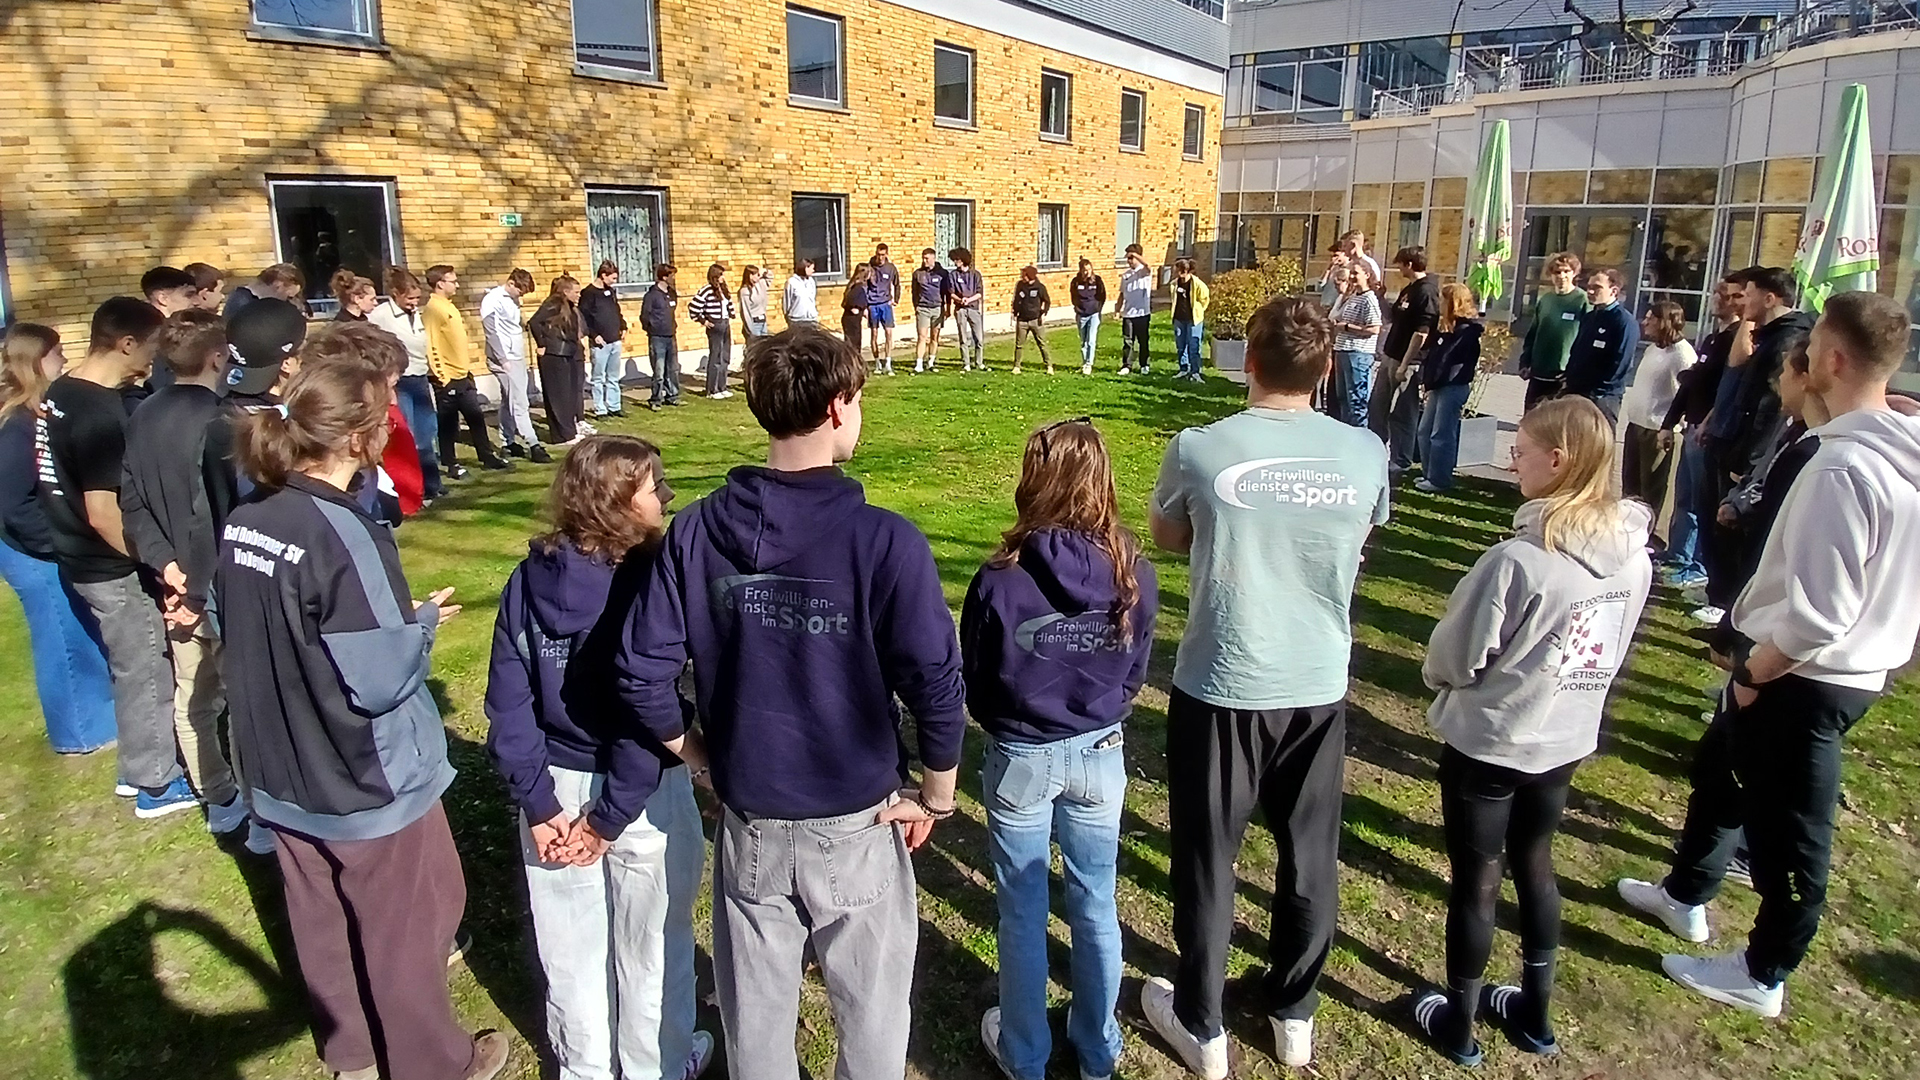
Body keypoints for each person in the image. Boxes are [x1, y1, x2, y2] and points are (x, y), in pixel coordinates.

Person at [611, 326, 965, 1080]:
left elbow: (642, 673)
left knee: (757, 1023)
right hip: (851, 822)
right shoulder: (885, 541)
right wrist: (938, 795)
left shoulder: (697, 531)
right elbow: (936, 677)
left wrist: (697, 756)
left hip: (757, 824)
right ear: (839, 407)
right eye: (861, 401)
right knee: (871, 1016)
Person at [1617, 291, 1920, 1020]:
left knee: (1790, 833)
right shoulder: (1887, 443)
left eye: (1813, 344)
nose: (1802, 355)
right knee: (1718, 774)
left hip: (1805, 677)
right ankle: (1686, 892)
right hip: (1826, 667)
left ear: (1835, 359)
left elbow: (1820, 614)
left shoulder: (1845, 469)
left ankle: (1761, 973)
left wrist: (1755, 673)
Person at [215, 353, 509, 1080]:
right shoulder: (347, 532)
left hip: (279, 762)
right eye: (386, 417)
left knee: (318, 918)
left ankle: (350, 1053)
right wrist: (421, 629)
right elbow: (379, 680)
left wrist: (396, 619)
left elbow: (264, 623)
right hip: (364, 774)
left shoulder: (248, 515)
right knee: (410, 922)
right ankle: (433, 1064)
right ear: (359, 437)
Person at [1142, 296, 1390, 1073]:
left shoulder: (1200, 447)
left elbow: (1169, 535)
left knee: (1210, 857)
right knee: (1309, 854)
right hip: (1315, 681)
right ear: (1326, 371)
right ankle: (1293, 1015)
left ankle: (1204, 1025)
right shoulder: (1367, 452)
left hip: (1223, 681)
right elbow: (1364, 536)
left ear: (1248, 362)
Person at [1412, 396, 1653, 1066]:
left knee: (1478, 877)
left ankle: (1458, 1023)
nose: (1512, 458)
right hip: (1566, 737)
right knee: (1537, 863)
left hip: (1492, 740)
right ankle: (1535, 1012)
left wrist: (1448, 680)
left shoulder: (1518, 560)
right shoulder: (1634, 556)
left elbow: (1454, 657)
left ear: (1561, 460)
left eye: (1521, 449)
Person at [485, 436, 715, 1080]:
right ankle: (658, 1065)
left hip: (555, 793)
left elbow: (509, 701)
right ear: (618, 505)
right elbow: (642, 712)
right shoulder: (651, 586)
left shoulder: (527, 578)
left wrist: (537, 802)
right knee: (654, 946)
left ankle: (585, 1068)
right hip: (641, 794)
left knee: (570, 947)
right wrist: (607, 818)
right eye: (652, 489)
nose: (664, 499)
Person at [963, 418, 1157, 1080]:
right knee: (1095, 900)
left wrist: (1004, 723)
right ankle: (1097, 1051)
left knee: (1022, 909)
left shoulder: (1000, 577)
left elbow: (978, 679)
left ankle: (1026, 1054)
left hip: (1021, 754)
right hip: (1099, 751)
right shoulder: (1135, 572)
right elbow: (1136, 671)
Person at [35, 297, 196, 818]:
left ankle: (136, 767)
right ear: (127, 342)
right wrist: (155, 562)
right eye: (151, 348)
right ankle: (155, 783)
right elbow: (104, 513)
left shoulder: (61, 391)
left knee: (132, 663)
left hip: (73, 554)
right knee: (144, 666)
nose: (155, 360)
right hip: (109, 564)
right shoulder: (100, 415)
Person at [120, 309, 249, 836]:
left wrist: (166, 567)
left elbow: (131, 499)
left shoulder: (142, 414)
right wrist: (192, 581)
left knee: (192, 694)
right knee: (242, 699)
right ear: (218, 357)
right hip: (219, 583)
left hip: (173, 581)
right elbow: (215, 513)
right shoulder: (223, 422)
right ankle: (255, 803)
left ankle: (217, 797)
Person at [0, 323, 117, 759]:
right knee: (62, 636)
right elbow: (10, 504)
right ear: (36, 362)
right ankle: (80, 731)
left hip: (38, 543)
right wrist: (54, 543)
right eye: (56, 354)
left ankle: (94, 718)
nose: (64, 360)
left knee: (75, 630)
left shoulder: (35, 413)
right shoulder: (16, 424)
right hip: (28, 550)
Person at [1706, 339, 1825, 663]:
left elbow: (1772, 543)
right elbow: (1762, 473)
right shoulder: (1792, 430)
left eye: (1785, 372)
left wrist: (1732, 630)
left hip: (1771, 601)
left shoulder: (1812, 451)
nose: (1778, 381)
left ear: (1805, 379)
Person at [1657, 278, 1740, 589]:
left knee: (1702, 503)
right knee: (1684, 497)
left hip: (1707, 432)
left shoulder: (1737, 341)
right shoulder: (1712, 339)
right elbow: (1690, 386)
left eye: (1726, 295)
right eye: (1717, 293)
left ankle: (1698, 564)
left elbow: (1727, 392)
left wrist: (1707, 422)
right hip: (1690, 426)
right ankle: (1676, 553)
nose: (1717, 299)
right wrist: (1670, 422)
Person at [423, 264, 511, 474]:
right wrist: (442, 377)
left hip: (463, 375)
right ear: (440, 283)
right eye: (452, 281)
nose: (457, 285)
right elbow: (431, 344)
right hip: (448, 378)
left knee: (475, 417)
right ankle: (451, 463)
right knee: (448, 424)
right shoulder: (433, 309)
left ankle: (486, 456)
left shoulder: (449, 305)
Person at [369, 267, 446, 498]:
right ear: (396, 294)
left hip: (420, 378)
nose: (414, 303)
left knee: (427, 431)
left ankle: (432, 484)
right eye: (410, 298)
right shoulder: (381, 315)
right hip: (398, 382)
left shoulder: (417, 314)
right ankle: (408, 489)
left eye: (417, 298)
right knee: (405, 436)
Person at [1620, 300, 1698, 528]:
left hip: (1657, 430)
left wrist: (1670, 426)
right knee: (1630, 485)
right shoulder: (1654, 348)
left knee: (1651, 489)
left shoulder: (1682, 354)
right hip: (1636, 424)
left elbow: (1685, 394)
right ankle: (1626, 529)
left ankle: (1650, 536)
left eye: (1650, 318)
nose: (1645, 322)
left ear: (1664, 321)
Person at [1372, 247, 1438, 472]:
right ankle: (1375, 451)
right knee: (1378, 407)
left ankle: (1401, 460)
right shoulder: (1409, 289)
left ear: (1409, 264)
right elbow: (1392, 317)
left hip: (1407, 362)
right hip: (1391, 356)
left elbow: (1422, 332)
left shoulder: (1427, 291)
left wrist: (1404, 364)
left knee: (1402, 412)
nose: (1398, 268)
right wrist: (1381, 298)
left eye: (1400, 264)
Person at [1413, 283, 1484, 493]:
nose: (1440, 304)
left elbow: (1452, 361)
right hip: (1437, 386)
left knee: (1441, 434)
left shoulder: (1467, 332)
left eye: (1444, 300)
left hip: (1453, 387)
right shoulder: (1445, 328)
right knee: (1424, 431)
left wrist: (1438, 378)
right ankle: (1428, 474)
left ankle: (1440, 479)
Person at [483, 268, 551, 463]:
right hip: (504, 358)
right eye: (520, 291)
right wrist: (502, 359)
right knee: (520, 401)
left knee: (508, 399)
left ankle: (507, 441)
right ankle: (533, 443)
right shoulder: (492, 299)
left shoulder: (513, 299)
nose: (521, 295)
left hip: (516, 355)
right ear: (511, 283)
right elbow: (491, 332)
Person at [1561, 268, 1640, 424]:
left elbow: (1621, 363)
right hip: (1576, 392)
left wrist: (1598, 393)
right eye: (1589, 286)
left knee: (1600, 442)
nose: (1590, 291)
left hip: (1602, 399)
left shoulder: (1624, 322)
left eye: (1597, 287)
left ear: (1614, 291)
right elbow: (1577, 351)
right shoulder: (1590, 317)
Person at [1519, 253, 1590, 411]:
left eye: (1566, 271)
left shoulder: (1582, 300)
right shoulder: (1545, 300)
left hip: (1563, 375)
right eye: (1557, 272)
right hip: (1538, 373)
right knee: (1531, 421)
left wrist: (1575, 370)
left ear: (1574, 273)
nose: (1562, 276)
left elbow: (1586, 339)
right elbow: (1533, 333)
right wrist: (1525, 362)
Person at [529, 275, 588, 447]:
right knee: (559, 396)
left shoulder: (568, 306)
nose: (579, 295)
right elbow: (534, 322)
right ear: (566, 291)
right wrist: (542, 344)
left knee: (568, 395)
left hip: (566, 353)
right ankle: (564, 434)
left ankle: (567, 432)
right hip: (554, 355)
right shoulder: (553, 304)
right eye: (576, 292)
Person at [1328, 261, 1381, 428]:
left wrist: (1346, 327)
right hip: (1343, 350)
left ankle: (1360, 435)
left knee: (1356, 400)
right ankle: (1347, 434)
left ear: (1367, 274)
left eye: (1355, 273)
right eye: (1350, 273)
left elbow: (1374, 328)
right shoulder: (1353, 297)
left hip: (1358, 354)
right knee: (1343, 398)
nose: (1352, 277)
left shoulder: (1369, 299)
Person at [139, 266, 202, 394]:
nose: (197, 301)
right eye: (189, 294)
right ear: (163, 298)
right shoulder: (149, 337)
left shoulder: (160, 332)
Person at [581, 261, 629, 422]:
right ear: (603, 275)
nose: (614, 281)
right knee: (598, 377)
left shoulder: (610, 292)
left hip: (615, 339)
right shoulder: (588, 293)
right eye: (613, 278)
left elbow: (616, 311)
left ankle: (614, 406)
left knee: (613, 376)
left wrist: (623, 326)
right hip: (600, 342)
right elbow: (584, 318)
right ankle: (600, 408)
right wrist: (594, 335)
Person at [689, 262, 737, 399]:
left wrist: (731, 314)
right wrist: (703, 321)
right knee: (715, 357)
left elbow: (729, 303)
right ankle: (712, 390)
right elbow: (693, 307)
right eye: (721, 275)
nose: (723, 277)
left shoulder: (723, 289)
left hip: (725, 323)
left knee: (725, 356)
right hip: (715, 325)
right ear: (715, 276)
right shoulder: (706, 290)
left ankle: (722, 387)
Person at [641, 263, 682, 412]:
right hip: (657, 337)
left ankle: (672, 395)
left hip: (671, 335)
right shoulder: (651, 295)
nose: (674, 278)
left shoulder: (671, 293)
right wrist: (652, 329)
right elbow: (644, 316)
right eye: (671, 275)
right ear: (664, 277)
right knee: (659, 371)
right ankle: (656, 399)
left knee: (673, 369)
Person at [910, 248, 951, 374]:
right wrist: (916, 306)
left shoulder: (942, 273)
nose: (924, 261)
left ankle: (931, 362)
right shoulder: (918, 273)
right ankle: (919, 363)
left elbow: (947, 292)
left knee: (935, 337)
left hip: (938, 308)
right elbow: (914, 292)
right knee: (922, 336)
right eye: (923, 258)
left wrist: (948, 308)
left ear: (933, 258)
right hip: (923, 308)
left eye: (927, 258)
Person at [1170, 260, 1211, 382]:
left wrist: (1199, 311)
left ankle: (1195, 371)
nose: (1176, 273)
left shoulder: (1198, 284)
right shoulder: (1174, 284)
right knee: (1181, 345)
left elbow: (1205, 299)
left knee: (1193, 346)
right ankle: (1183, 369)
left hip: (1193, 320)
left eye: (1178, 270)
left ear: (1185, 271)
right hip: (1179, 319)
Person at [1118, 244, 1154, 375]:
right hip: (1128, 314)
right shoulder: (1125, 275)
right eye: (1127, 258)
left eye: (1131, 258)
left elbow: (1149, 266)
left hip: (1142, 313)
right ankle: (1127, 365)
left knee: (1143, 340)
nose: (1129, 261)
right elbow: (1122, 293)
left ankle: (1144, 364)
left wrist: (1137, 255)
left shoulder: (1144, 272)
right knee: (1128, 341)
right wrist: (1118, 308)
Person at [950, 248, 987, 372]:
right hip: (960, 309)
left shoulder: (975, 274)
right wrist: (960, 300)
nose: (955, 262)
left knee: (979, 337)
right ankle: (966, 363)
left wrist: (969, 300)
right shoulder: (953, 275)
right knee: (963, 337)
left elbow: (979, 293)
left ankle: (979, 362)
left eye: (957, 260)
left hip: (973, 308)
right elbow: (951, 293)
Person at [1070, 258, 1109, 376]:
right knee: (1083, 341)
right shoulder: (1076, 282)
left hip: (1094, 314)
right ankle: (1084, 362)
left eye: (1089, 269)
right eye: (1084, 270)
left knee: (1091, 340)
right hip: (1081, 314)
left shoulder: (1097, 281)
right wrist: (1077, 308)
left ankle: (1089, 364)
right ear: (1080, 270)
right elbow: (1073, 296)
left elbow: (1102, 295)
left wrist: (1098, 308)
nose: (1087, 272)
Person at [223, 263, 305, 318]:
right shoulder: (242, 302)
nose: (288, 301)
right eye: (288, 297)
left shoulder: (259, 301)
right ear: (278, 285)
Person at [1012, 266, 1053, 375]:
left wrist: (1044, 313)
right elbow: (1016, 299)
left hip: (1036, 320)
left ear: (1029, 276)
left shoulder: (1040, 287)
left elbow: (1047, 301)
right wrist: (1014, 313)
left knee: (1042, 343)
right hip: (1022, 321)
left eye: (1024, 275)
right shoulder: (1020, 285)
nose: (1021, 277)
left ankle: (1049, 366)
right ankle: (1017, 366)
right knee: (1019, 344)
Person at [868, 243, 902, 364]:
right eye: (878, 255)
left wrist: (896, 299)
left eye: (883, 255)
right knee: (874, 334)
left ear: (886, 254)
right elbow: (863, 285)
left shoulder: (891, 268)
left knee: (889, 332)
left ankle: (888, 361)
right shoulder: (870, 266)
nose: (880, 257)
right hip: (872, 304)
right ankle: (877, 361)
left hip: (885, 304)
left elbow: (897, 284)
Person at [840, 265, 873, 368]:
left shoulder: (853, 285)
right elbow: (852, 304)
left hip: (850, 319)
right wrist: (857, 308)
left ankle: (853, 364)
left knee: (852, 342)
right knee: (853, 343)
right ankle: (852, 365)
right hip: (852, 320)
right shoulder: (858, 288)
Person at [783, 258, 819, 327]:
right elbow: (786, 303)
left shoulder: (811, 282)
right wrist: (788, 319)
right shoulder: (791, 282)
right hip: (797, 320)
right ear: (805, 268)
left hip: (811, 319)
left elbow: (813, 299)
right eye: (811, 268)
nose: (813, 271)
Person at [739, 265, 770, 344]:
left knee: (765, 347)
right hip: (754, 323)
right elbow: (745, 312)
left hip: (763, 321)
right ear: (750, 276)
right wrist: (750, 330)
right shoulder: (745, 291)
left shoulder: (761, 284)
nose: (758, 277)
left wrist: (765, 271)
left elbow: (770, 277)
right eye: (756, 274)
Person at [1316, 247, 1351, 312]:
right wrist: (1328, 269)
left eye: (1336, 256)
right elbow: (1320, 287)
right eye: (1331, 256)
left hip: (1337, 307)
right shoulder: (1333, 268)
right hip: (1325, 305)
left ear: (1345, 254)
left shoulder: (1351, 270)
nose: (1333, 259)